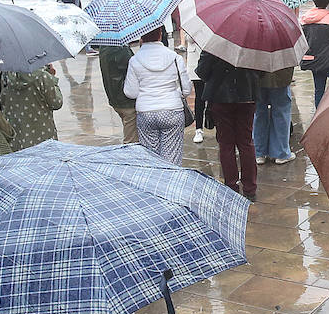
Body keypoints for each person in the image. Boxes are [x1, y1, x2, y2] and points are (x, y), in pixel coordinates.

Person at [197, 50, 260, 201]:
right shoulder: (253, 43)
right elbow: (261, 71)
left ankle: (231, 186)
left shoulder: (214, 44)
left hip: (220, 98)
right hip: (247, 95)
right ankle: (250, 189)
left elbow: (202, 72)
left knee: (226, 144)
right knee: (246, 143)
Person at [122, 28, 191, 165]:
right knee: (172, 157)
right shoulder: (175, 58)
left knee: (151, 158)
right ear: (160, 35)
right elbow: (186, 89)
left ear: (142, 37)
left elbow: (131, 92)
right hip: (172, 110)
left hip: (146, 112)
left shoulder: (135, 60)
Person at [0, 66, 63, 151]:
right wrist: (53, 79)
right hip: (44, 140)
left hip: (15, 140)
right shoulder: (43, 76)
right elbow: (56, 103)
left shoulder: (4, 75)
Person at [253, 65, 295, 166]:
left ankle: (259, 153)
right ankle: (281, 153)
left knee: (259, 113)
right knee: (281, 113)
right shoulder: (283, 48)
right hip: (280, 76)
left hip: (258, 77)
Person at [99, 44, 139, 144]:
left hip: (115, 97)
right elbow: (133, 67)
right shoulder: (120, 49)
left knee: (130, 133)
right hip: (125, 100)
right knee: (131, 141)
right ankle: (129, 158)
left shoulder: (104, 46)